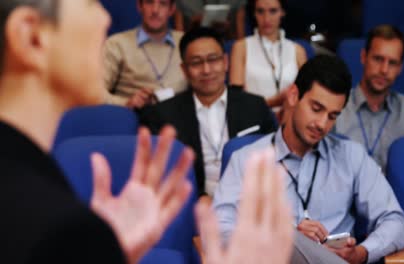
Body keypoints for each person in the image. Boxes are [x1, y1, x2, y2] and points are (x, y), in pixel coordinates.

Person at [0, 1, 293, 263]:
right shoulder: (42, 217)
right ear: (31, 35)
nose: (105, 17)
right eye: (89, 3)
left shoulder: (41, 198)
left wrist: (109, 252)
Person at [214, 55, 404, 263]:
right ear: (293, 96)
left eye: (332, 116)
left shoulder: (352, 156)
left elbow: (396, 222)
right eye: (316, 109)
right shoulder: (246, 160)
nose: (322, 124)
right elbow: (220, 230)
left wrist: (361, 253)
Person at [140, 27, 277, 197]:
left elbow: (277, 160)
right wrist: (197, 199)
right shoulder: (163, 115)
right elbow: (160, 173)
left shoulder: (255, 106)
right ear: (184, 70)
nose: (206, 70)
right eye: (196, 62)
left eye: (213, 59)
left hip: (250, 201)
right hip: (193, 206)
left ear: (226, 62)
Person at [334, 25, 404, 171]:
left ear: (400, 68)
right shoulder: (336, 109)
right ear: (363, 57)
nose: (384, 70)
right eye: (378, 59)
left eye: (392, 63)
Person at [229, 0, 307, 117]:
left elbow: (307, 94)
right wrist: (274, 101)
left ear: (282, 12)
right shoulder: (241, 47)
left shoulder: (297, 50)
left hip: (290, 120)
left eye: (273, 11)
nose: (266, 18)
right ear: (254, 13)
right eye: (260, 11)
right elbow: (238, 100)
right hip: (254, 118)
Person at [103, 0, 187, 109]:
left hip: (181, 119)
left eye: (163, 4)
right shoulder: (116, 44)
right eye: (149, 2)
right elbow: (94, 93)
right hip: (136, 118)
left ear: (171, 10)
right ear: (139, 6)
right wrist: (126, 102)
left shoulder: (187, 42)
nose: (155, 10)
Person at [174, 0, 247, 40]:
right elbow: (178, 34)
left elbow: (240, 37)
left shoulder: (236, 2)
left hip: (225, 40)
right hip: (193, 40)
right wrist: (194, 23)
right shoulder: (182, 2)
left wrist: (227, 28)